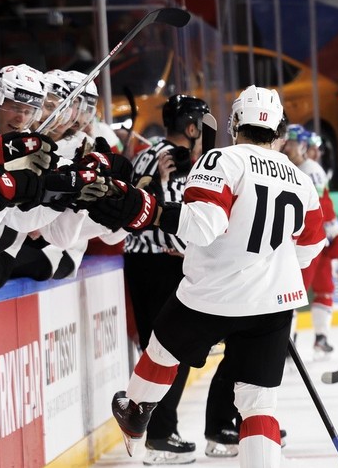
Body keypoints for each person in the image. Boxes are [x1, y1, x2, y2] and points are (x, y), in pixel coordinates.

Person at [97, 86, 325, 467]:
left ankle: (136, 413)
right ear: (278, 126)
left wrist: (150, 209)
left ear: (236, 122)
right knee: (258, 405)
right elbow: (310, 245)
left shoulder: (222, 159)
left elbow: (202, 227)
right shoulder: (299, 178)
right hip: (274, 303)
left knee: (162, 350)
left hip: (213, 295)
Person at [122, 94, 211, 463]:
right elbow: (173, 214)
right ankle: (158, 433)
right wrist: (193, 251)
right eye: (203, 125)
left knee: (159, 349)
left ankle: (157, 429)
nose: (206, 132)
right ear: (191, 128)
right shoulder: (177, 160)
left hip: (141, 262)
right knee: (171, 351)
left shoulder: (147, 153)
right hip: (163, 265)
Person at [281, 124, 338, 355]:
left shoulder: (310, 169)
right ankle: (287, 343)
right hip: (296, 242)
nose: (287, 147)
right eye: (286, 142)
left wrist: (334, 233)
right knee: (289, 294)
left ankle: (320, 337)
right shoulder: (284, 167)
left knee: (322, 288)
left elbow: (324, 206)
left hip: (315, 242)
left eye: (292, 143)